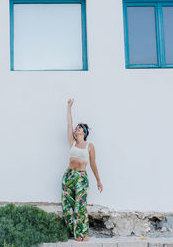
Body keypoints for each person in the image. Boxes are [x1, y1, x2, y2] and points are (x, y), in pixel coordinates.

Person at [61, 98, 103, 242]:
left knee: (80, 206)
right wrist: (69, 107)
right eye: (76, 128)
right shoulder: (72, 142)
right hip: (69, 175)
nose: (76, 129)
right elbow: (69, 123)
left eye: (79, 128)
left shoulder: (89, 146)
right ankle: (74, 232)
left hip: (81, 177)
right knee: (67, 206)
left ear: (84, 132)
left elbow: (93, 164)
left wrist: (98, 180)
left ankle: (83, 234)